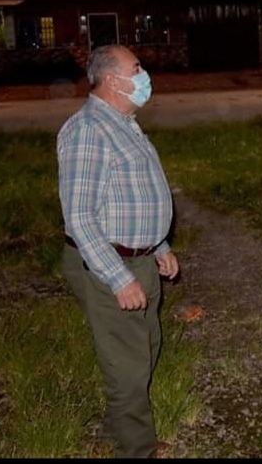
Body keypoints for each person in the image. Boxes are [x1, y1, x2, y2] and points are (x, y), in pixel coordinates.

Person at [57, 44, 179, 459]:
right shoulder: (89, 130)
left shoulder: (123, 123)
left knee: (146, 346)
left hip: (139, 257)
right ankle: (136, 448)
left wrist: (159, 244)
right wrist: (119, 278)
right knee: (127, 368)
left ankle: (119, 430)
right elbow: (80, 216)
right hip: (108, 262)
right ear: (112, 80)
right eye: (137, 68)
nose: (144, 75)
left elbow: (132, 195)